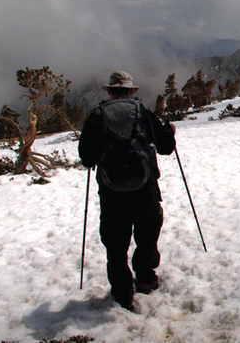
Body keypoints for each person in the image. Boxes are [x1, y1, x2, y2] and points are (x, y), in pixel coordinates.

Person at [79, 71, 176, 311]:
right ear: (131, 91)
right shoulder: (141, 113)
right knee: (147, 234)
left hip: (112, 194)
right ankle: (144, 278)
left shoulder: (98, 115)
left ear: (109, 91)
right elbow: (165, 148)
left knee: (115, 243)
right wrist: (169, 133)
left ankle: (123, 293)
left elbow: (85, 157)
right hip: (145, 190)